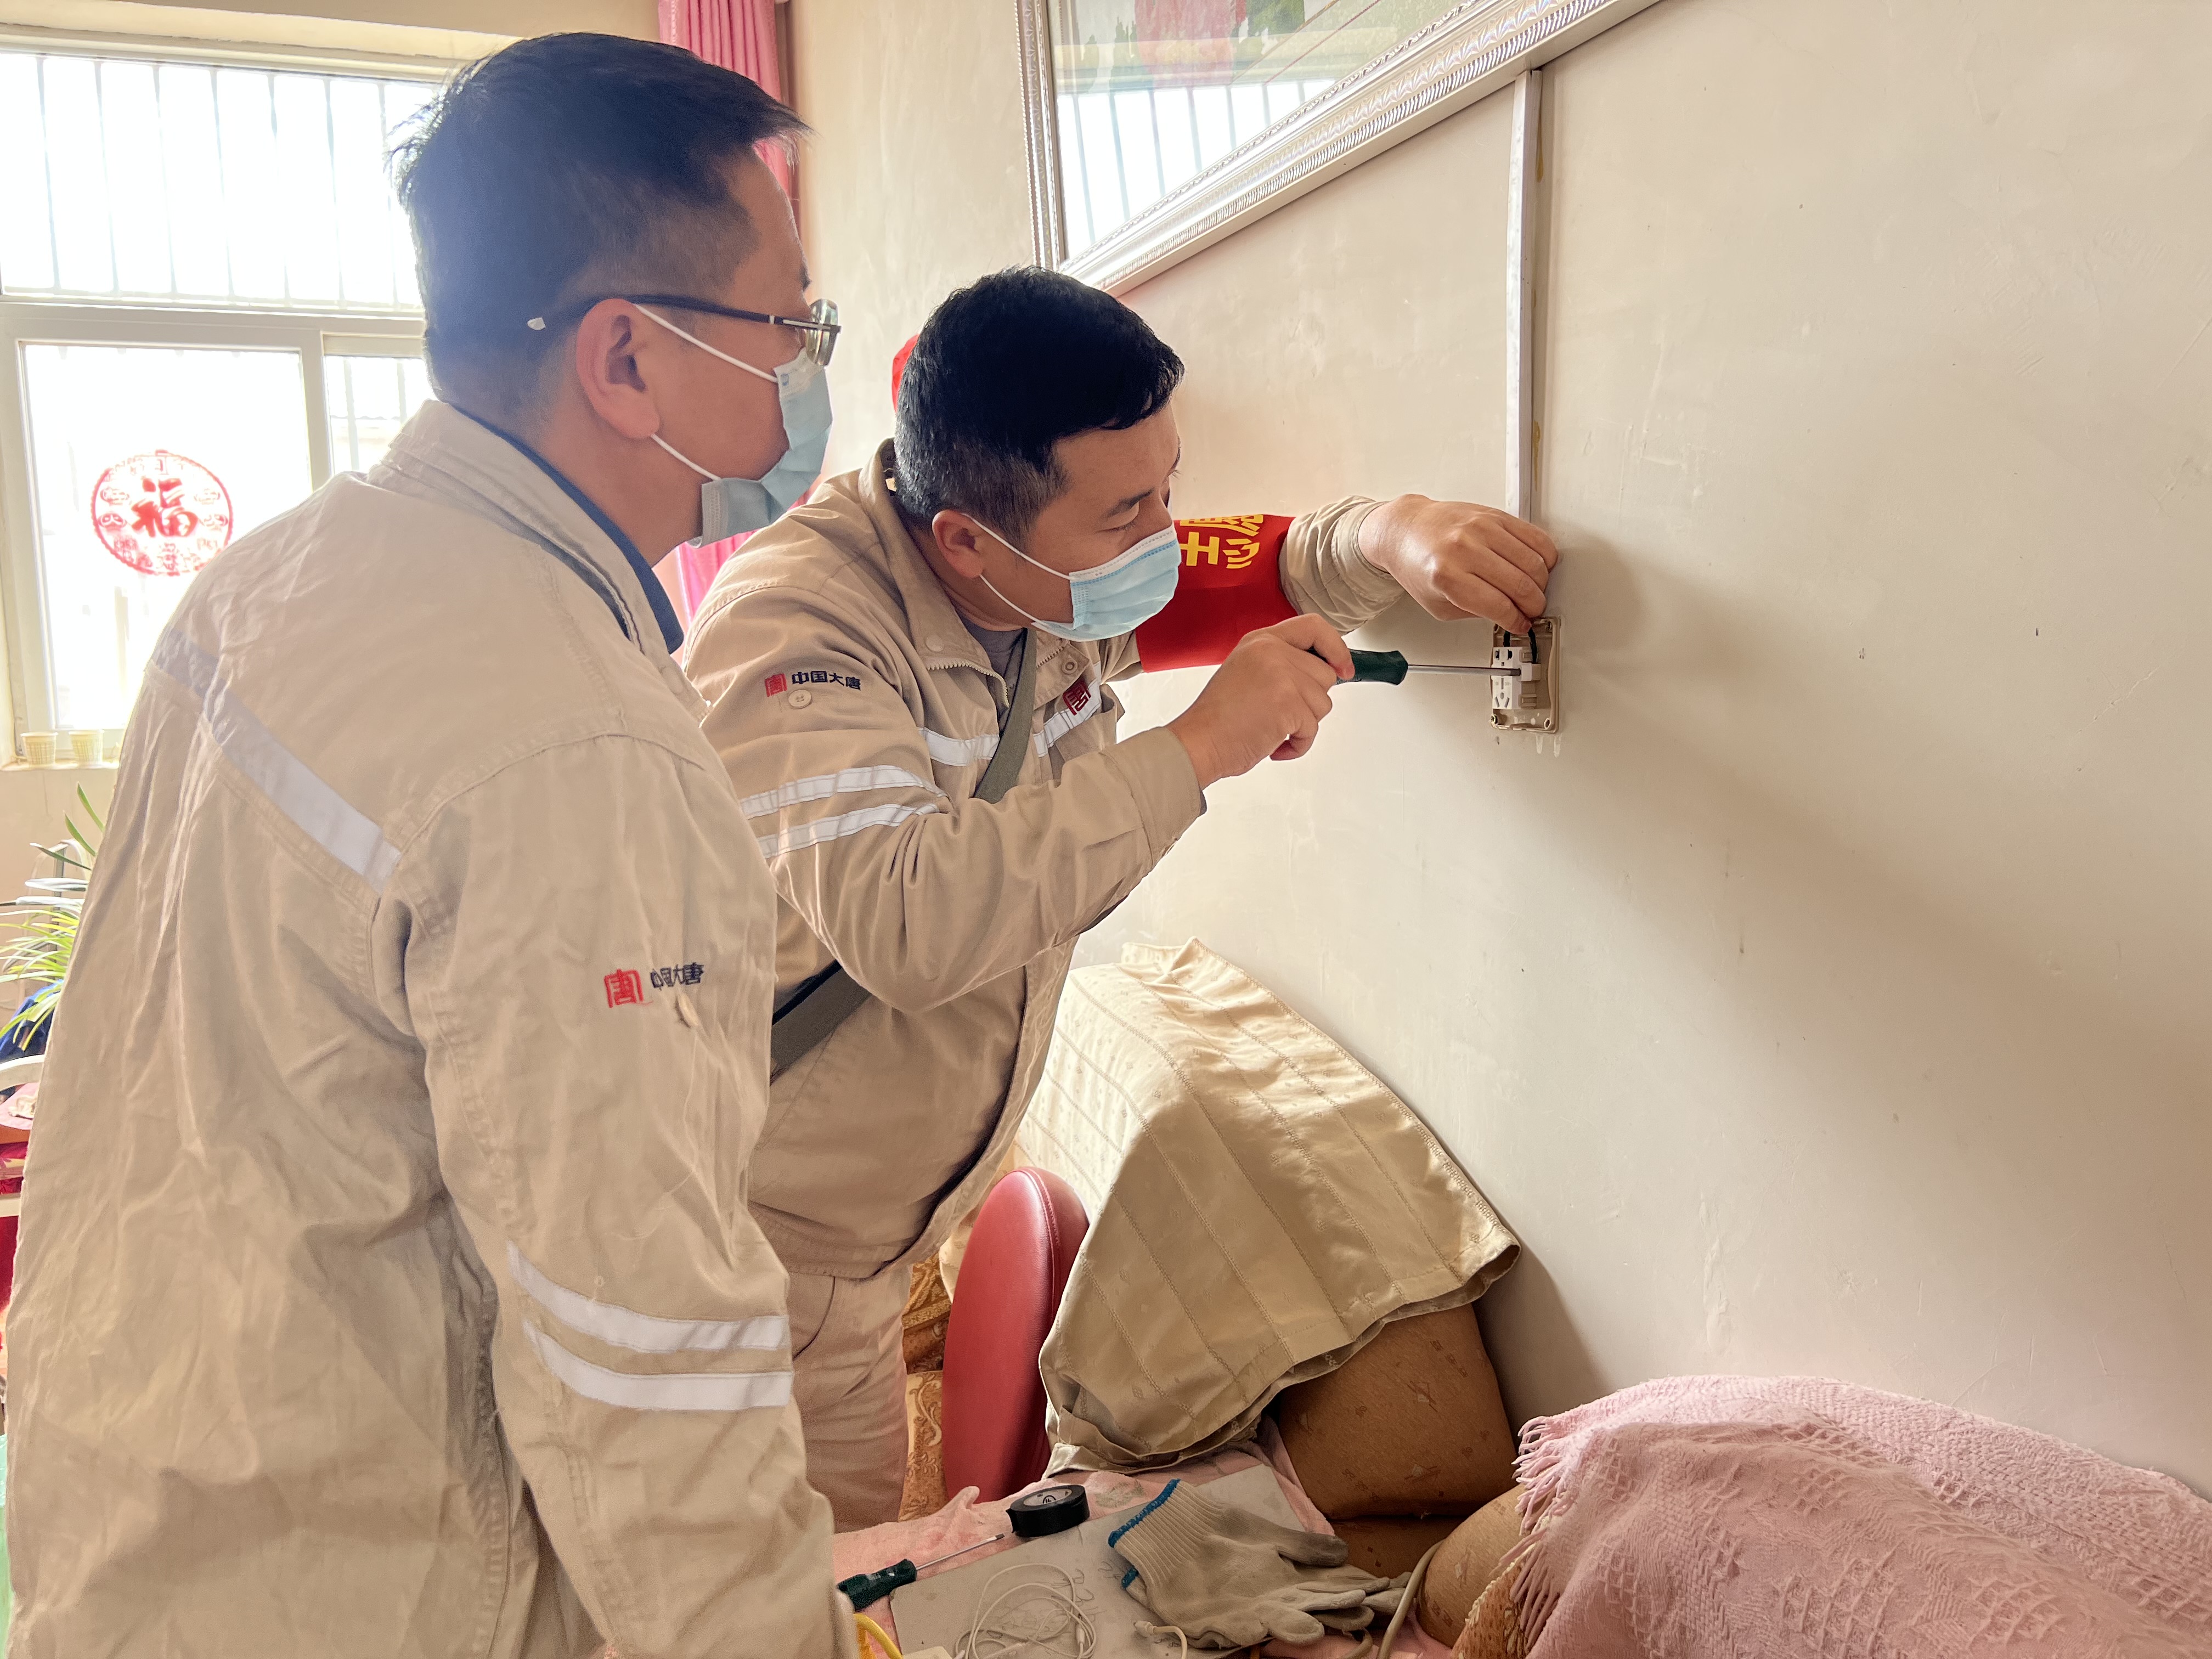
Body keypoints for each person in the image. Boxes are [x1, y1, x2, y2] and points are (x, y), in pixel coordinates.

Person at [6, 35, 854, 1657]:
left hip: (147, 1505)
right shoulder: (577, 740)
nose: (807, 372)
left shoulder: (272, 580)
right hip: (376, 1579)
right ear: (628, 357)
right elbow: (642, 1339)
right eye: (790, 324)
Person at [682, 267, 1559, 1527]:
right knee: (758, 1600)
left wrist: (1388, 532)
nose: (1161, 535)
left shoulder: (1037, 582)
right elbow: (909, 923)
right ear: (966, 539)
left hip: (861, 1263)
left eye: (1169, 488)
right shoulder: (797, 628)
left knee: (843, 1585)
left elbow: (1235, 570)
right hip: (739, 1267)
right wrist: (1201, 746)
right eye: (1126, 512)